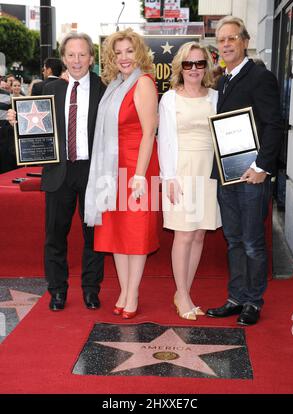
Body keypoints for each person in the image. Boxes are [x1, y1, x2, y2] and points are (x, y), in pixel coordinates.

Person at [8, 32, 106, 311]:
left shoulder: (104, 89)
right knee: (54, 236)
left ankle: (90, 290)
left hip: (92, 172)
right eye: (71, 55)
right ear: (64, 58)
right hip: (58, 172)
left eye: (82, 54)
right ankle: (58, 291)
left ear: (91, 58)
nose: (77, 60)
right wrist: (18, 120)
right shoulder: (47, 89)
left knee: (94, 237)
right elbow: (35, 128)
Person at [206, 16, 283, 325]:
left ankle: (253, 301)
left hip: (252, 176)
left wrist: (262, 166)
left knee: (252, 241)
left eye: (232, 38)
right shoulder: (223, 81)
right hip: (228, 175)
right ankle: (236, 297)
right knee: (234, 239)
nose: (226, 44)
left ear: (245, 41)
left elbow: (274, 125)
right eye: (221, 40)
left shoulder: (260, 77)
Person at [84, 28, 159, 319]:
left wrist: (140, 175)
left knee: (136, 231)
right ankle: (125, 289)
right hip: (111, 168)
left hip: (137, 167)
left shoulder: (142, 83)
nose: (124, 57)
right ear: (111, 58)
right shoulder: (115, 85)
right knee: (116, 231)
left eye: (129, 51)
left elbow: (149, 133)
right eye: (118, 53)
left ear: (138, 53)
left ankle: (134, 292)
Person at [158, 42, 221, 321]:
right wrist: (168, 177)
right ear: (180, 67)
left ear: (206, 66)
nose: (194, 69)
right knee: (183, 234)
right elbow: (165, 141)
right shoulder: (170, 99)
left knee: (198, 234)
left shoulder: (216, 97)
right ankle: (182, 293)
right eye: (188, 64)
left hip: (207, 170)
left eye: (199, 63)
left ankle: (185, 290)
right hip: (181, 170)